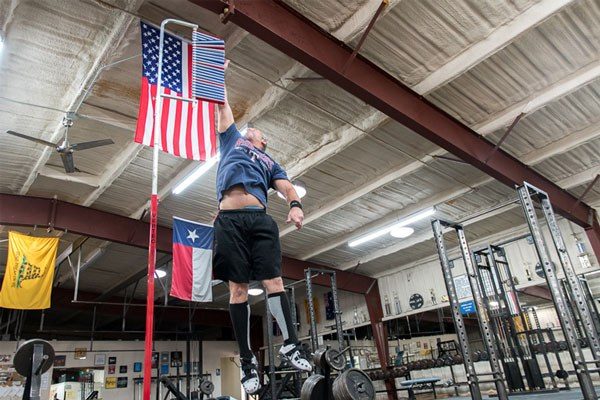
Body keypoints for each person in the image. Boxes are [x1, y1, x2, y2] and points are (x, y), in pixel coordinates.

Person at [213, 61, 312, 395]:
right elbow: (222, 107)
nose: (252, 129)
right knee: (238, 290)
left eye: (256, 130)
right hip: (229, 220)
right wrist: (218, 74)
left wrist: (295, 205)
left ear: (262, 140)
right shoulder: (232, 142)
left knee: (274, 280)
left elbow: (286, 188)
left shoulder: (271, 163)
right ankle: (245, 360)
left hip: (259, 220)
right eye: (251, 128)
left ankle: (291, 344)